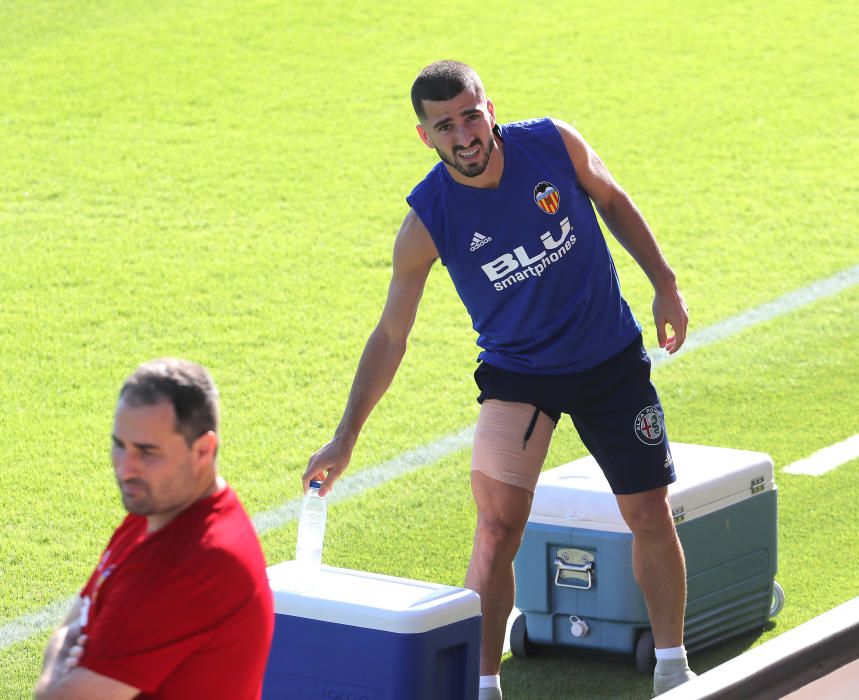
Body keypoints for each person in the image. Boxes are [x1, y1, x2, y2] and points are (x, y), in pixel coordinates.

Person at [304, 60, 694, 698]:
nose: (463, 135)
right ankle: (483, 687)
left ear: (491, 108)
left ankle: (674, 669)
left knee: (649, 510)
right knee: (496, 527)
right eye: (444, 125)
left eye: (469, 115)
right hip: (521, 378)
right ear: (425, 136)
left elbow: (614, 200)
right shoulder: (428, 220)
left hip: (609, 362)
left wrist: (666, 285)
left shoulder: (552, 144)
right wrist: (346, 438)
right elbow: (390, 337)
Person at [35, 359, 274, 700]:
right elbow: (79, 618)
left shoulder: (189, 564)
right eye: (120, 444)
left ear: (203, 450)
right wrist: (65, 651)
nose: (125, 468)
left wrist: (56, 664)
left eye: (147, 452)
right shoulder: (153, 510)